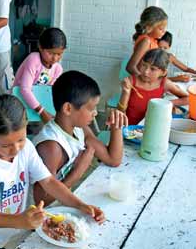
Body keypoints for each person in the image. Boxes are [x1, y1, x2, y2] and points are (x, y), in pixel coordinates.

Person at [0, 94, 105, 249]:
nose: (16, 149)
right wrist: (20, 221)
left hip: (15, 231)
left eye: (21, 139)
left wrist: (80, 205)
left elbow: (48, 181)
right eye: (5, 145)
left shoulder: (27, 148)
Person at [32, 71, 128, 206]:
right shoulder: (51, 147)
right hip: (47, 214)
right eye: (91, 108)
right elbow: (41, 201)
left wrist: (116, 126)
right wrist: (79, 170)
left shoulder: (79, 128)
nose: (95, 113)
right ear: (68, 108)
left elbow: (113, 160)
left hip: (67, 201)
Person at [119, 49, 188, 125]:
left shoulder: (164, 83)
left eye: (152, 69)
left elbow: (188, 99)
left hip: (152, 126)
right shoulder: (132, 81)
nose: (146, 71)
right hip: (131, 127)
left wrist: (168, 103)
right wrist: (126, 92)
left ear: (163, 72)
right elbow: (120, 111)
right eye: (144, 65)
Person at [13, 28, 66, 123]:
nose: (55, 58)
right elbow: (24, 89)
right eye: (50, 53)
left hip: (37, 107)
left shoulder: (57, 69)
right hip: (19, 103)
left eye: (59, 54)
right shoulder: (33, 59)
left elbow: (50, 92)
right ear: (40, 47)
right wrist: (41, 112)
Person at [126, 6, 168, 76]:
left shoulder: (154, 41)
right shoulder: (146, 41)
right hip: (142, 84)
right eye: (161, 29)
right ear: (149, 27)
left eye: (164, 28)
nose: (164, 31)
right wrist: (143, 82)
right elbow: (130, 67)